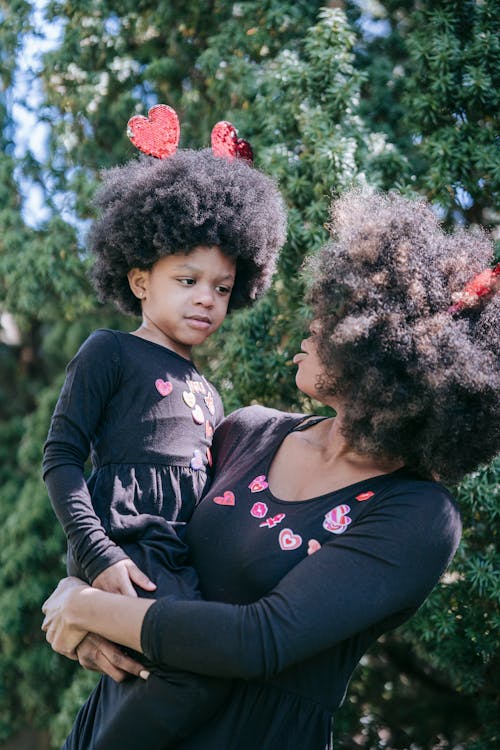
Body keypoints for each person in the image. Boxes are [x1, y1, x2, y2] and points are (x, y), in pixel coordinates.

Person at [42, 189, 500, 750]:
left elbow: (261, 639)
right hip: (122, 720)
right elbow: (144, 532)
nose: (312, 326)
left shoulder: (419, 515)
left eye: (335, 319)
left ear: (384, 357)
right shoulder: (248, 431)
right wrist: (80, 594)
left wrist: (87, 607)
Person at [42, 105, 287, 748]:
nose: (207, 297)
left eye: (223, 287)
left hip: (183, 550)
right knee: (193, 673)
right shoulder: (109, 351)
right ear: (140, 279)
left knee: (157, 675)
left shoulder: (208, 391)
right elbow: (61, 457)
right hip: (130, 538)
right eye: (188, 280)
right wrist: (97, 554)